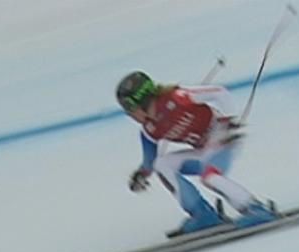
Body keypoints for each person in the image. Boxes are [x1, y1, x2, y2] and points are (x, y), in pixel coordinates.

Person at [116, 71, 277, 235]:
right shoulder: (150, 130)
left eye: (129, 109)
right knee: (162, 164)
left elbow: (219, 93)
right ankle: (203, 215)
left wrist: (228, 123)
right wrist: (141, 175)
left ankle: (255, 209)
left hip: (223, 138)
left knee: (210, 177)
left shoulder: (177, 98)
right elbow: (150, 163)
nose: (129, 115)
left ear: (140, 103)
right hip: (204, 150)